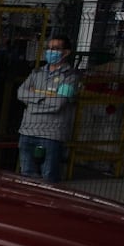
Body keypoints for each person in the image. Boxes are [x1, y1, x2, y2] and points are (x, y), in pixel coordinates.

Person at [17, 36, 81, 183]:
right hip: (27, 131)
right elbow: (20, 93)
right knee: (26, 176)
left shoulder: (71, 76)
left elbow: (59, 103)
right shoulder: (37, 72)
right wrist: (46, 98)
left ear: (65, 52)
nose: (51, 51)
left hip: (52, 134)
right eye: (49, 48)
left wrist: (34, 98)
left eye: (56, 48)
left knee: (49, 179)